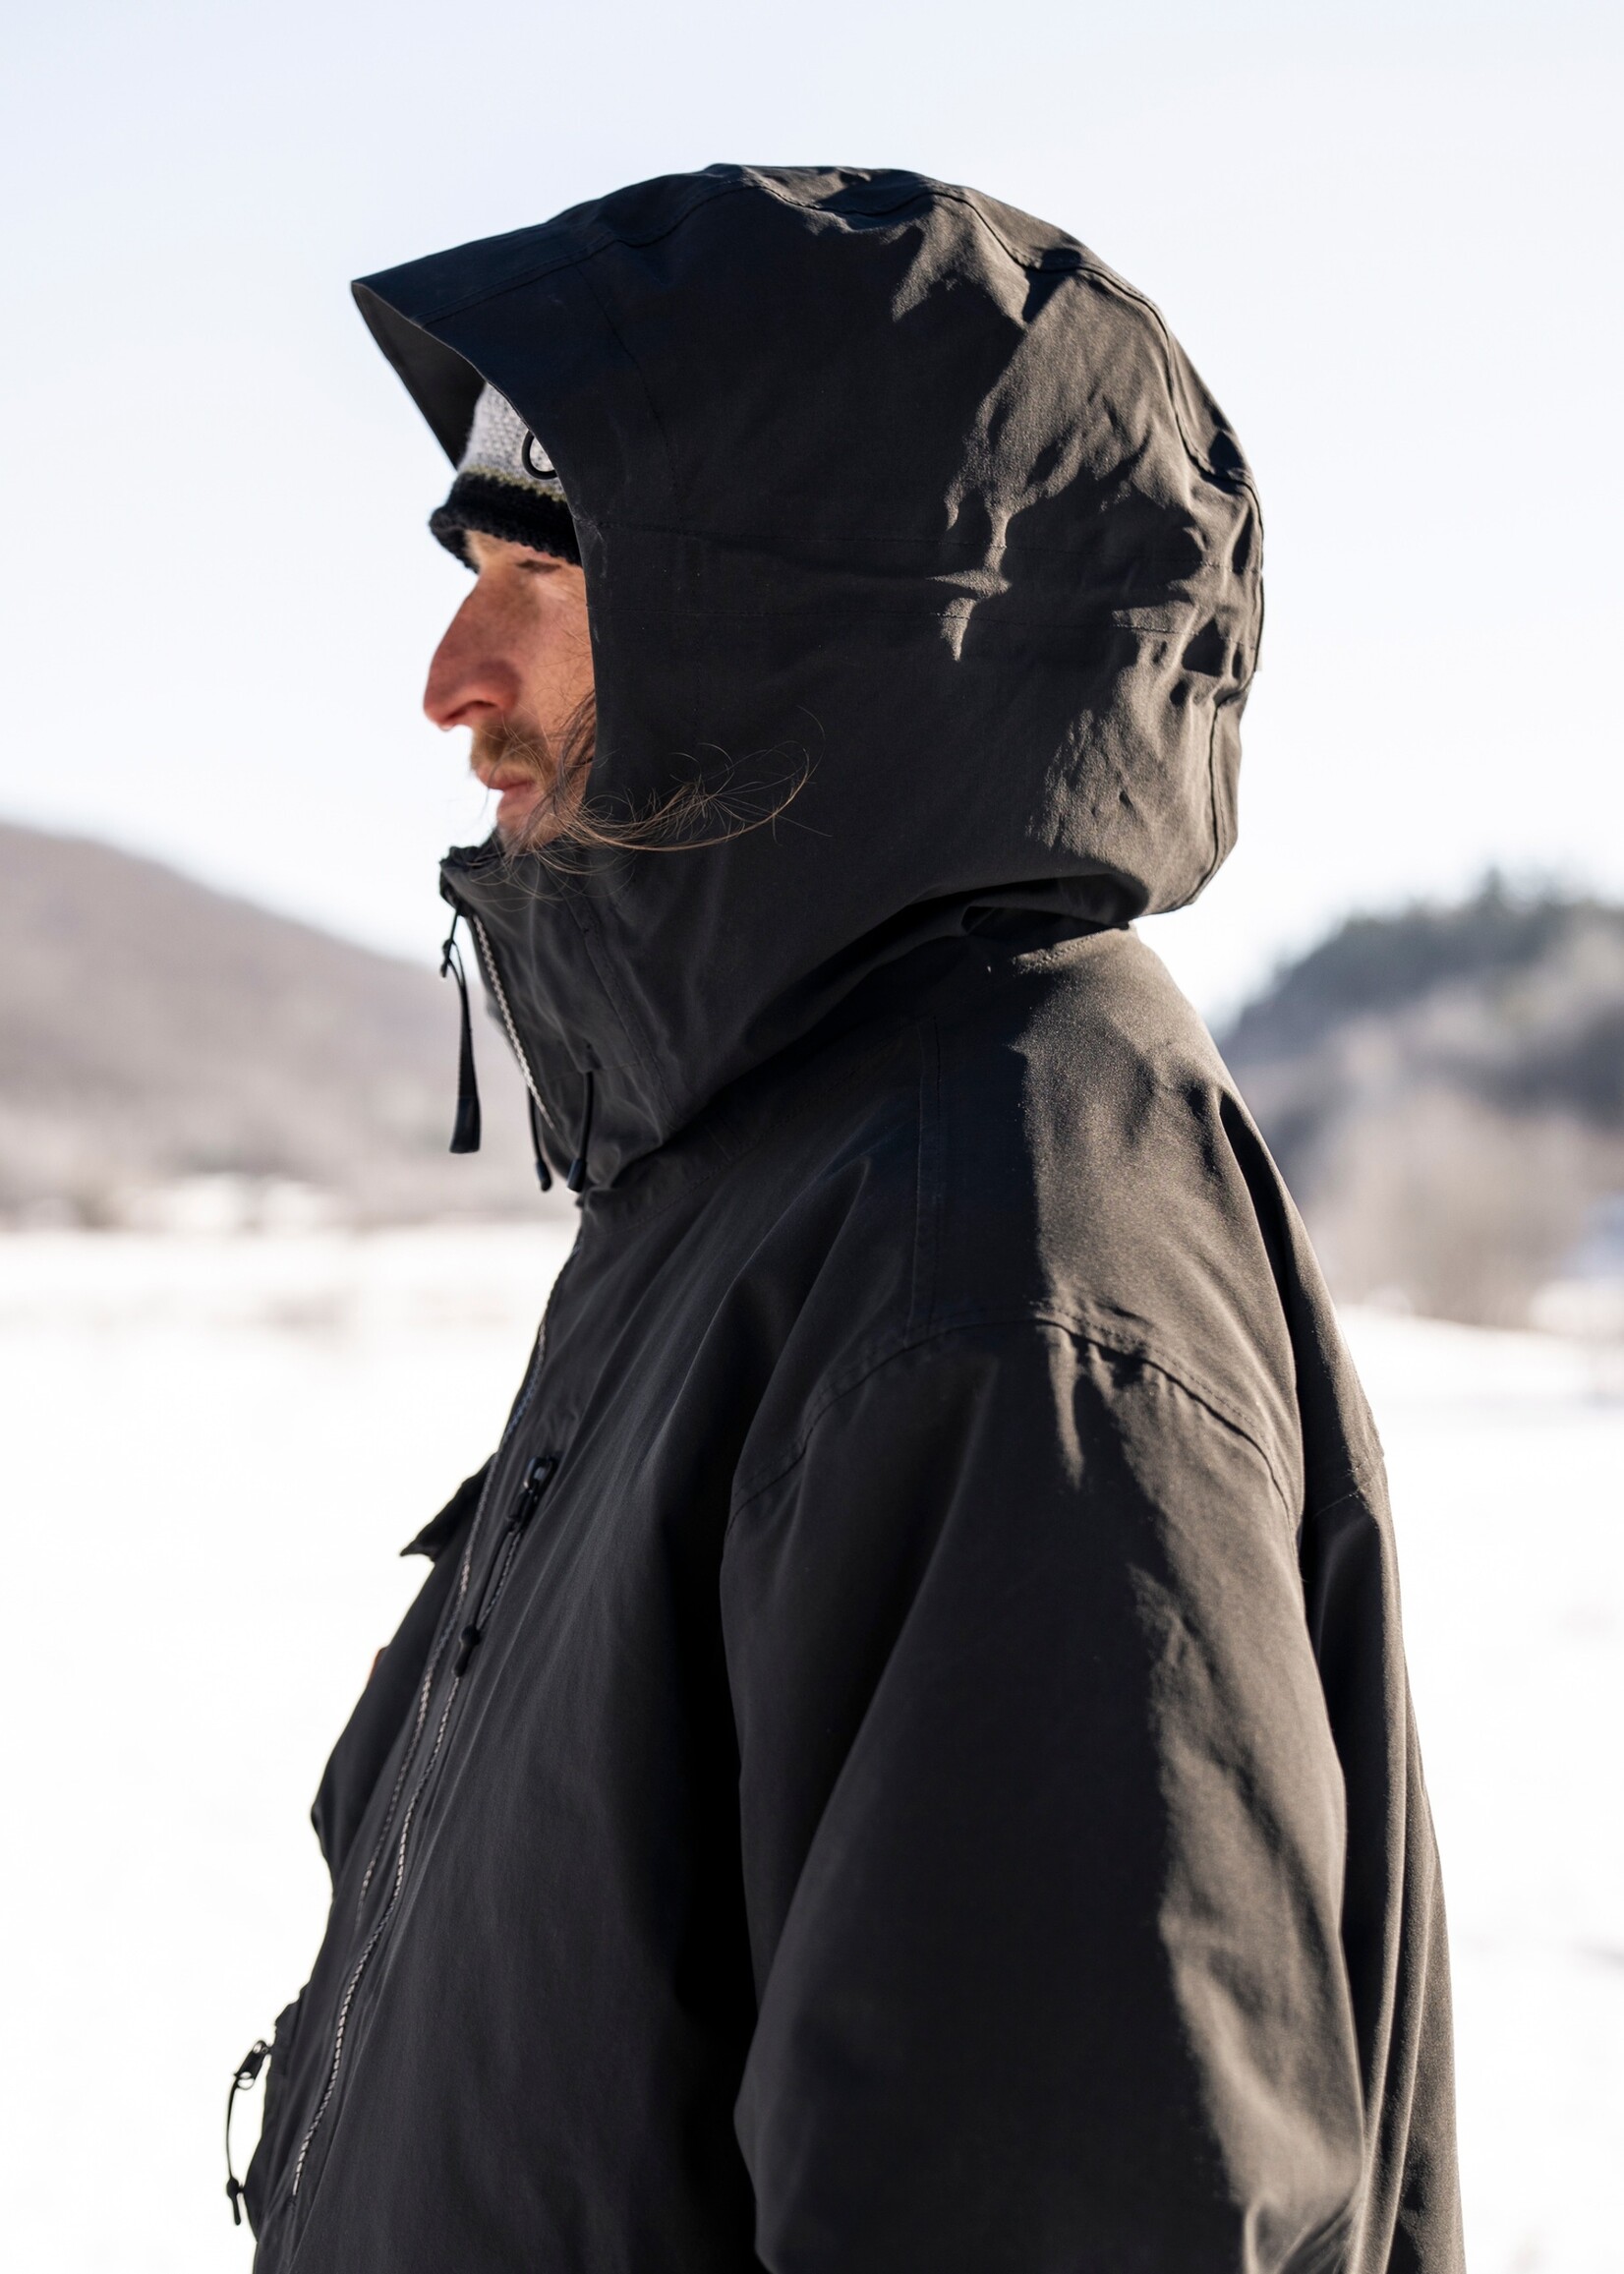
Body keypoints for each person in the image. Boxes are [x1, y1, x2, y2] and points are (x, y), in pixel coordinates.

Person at [231, 165, 1463, 2271]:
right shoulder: (772, 1177)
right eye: (467, 566)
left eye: (550, 565)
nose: (453, 674)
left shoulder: (1003, 1256)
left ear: (817, 620)